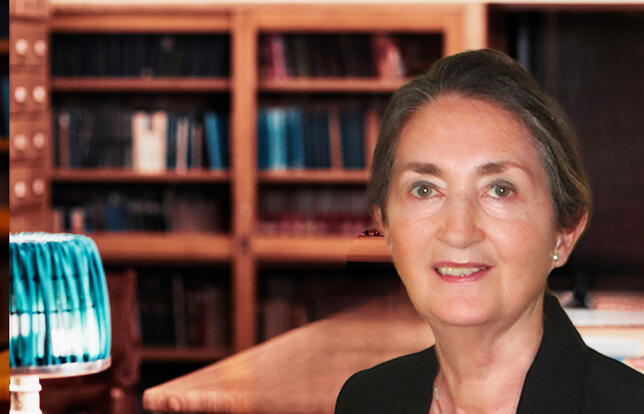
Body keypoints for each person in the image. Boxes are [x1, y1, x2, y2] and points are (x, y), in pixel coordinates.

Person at [335, 49, 644, 413]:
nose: (458, 231)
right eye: (425, 189)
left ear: (565, 232)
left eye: (500, 189)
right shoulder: (365, 400)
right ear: (384, 225)